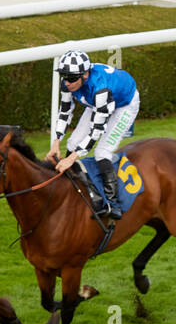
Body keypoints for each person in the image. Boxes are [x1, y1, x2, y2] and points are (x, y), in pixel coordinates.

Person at [50, 49, 140, 219]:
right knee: (72, 143)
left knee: (102, 152)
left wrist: (71, 159)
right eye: (64, 76)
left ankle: (114, 205)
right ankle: (70, 186)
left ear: (85, 75)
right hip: (97, 104)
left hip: (124, 104)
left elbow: (96, 131)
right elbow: (64, 112)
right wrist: (56, 142)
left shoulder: (100, 88)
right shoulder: (68, 83)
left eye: (71, 78)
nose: (67, 82)